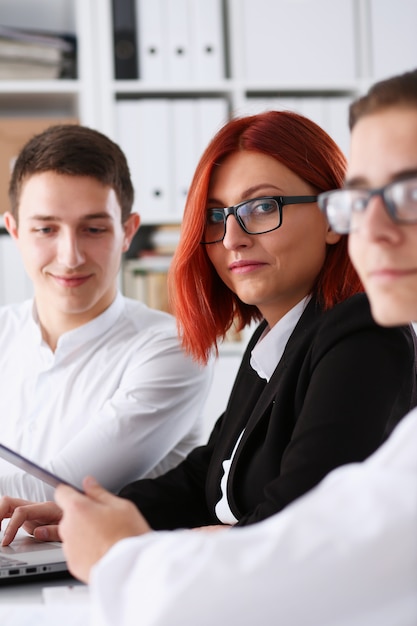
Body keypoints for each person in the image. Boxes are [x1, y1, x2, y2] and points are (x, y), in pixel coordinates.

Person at [2, 107, 416, 541]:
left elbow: (297, 523)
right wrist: (84, 514)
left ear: (334, 215)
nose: (233, 238)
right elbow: (208, 472)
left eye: (261, 207)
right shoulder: (277, 337)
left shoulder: (361, 332)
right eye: (217, 216)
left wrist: (164, 548)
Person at [0, 123, 211, 501]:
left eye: (94, 229)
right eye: (46, 229)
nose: (70, 257)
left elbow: (52, 492)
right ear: (14, 231)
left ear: (127, 231)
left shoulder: (175, 348)